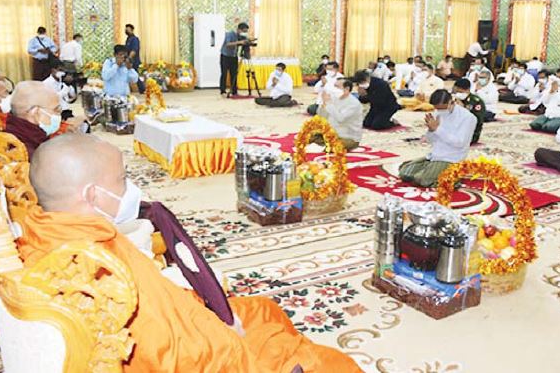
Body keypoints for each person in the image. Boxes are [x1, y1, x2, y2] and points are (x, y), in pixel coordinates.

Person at [18, 134, 362, 372]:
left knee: (263, 309)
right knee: (335, 366)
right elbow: (171, 353)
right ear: (93, 195)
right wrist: (229, 337)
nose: (131, 188)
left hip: (187, 325)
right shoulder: (97, 267)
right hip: (209, 354)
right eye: (122, 179)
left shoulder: (44, 229)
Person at [398, 89, 476, 187]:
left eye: (442, 108)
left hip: (452, 158)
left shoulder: (468, 118)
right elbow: (431, 140)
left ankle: (453, 178)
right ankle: (435, 172)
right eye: (437, 108)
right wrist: (431, 130)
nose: (439, 111)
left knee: (421, 180)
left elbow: (460, 143)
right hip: (435, 156)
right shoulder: (438, 113)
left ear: (451, 102)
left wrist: (437, 129)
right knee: (404, 173)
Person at [5, 82, 64, 158]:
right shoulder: (25, 152)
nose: (59, 115)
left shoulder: (34, 135)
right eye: (56, 110)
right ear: (35, 113)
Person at [315, 78, 363, 151]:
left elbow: (340, 119)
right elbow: (321, 116)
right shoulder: (334, 98)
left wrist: (329, 104)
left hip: (348, 137)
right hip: (331, 133)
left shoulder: (354, 104)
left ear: (347, 89)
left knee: (330, 149)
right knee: (306, 137)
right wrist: (324, 103)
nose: (333, 89)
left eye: (337, 87)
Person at [530, 68, 560, 133]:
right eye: (557, 77)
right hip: (548, 115)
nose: (558, 79)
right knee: (534, 125)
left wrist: (556, 91)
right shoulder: (553, 86)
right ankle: (547, 123)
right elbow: (545, 101)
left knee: (549, 127)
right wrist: (551, 92)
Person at [220, 23, 250, 98]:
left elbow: (244, 41)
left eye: (246, 32)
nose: (244, 33)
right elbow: (228, 44)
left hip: (234, 56)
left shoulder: (240, 36)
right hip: (225, 56)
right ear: (239, 29)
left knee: (234, 74)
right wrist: (240, 42)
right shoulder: (229, 34)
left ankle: (234, 91)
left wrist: (248, 41)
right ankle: (223, 91)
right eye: (244, 31)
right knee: (224, 74)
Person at [452, 78, 485, 144]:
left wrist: (463, 109)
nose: (457, 94)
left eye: (460, 92)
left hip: (470, 132)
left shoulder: (476, 101)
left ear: (467, 90)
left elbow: (477, 121)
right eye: (456, 92)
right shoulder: (455, 99)